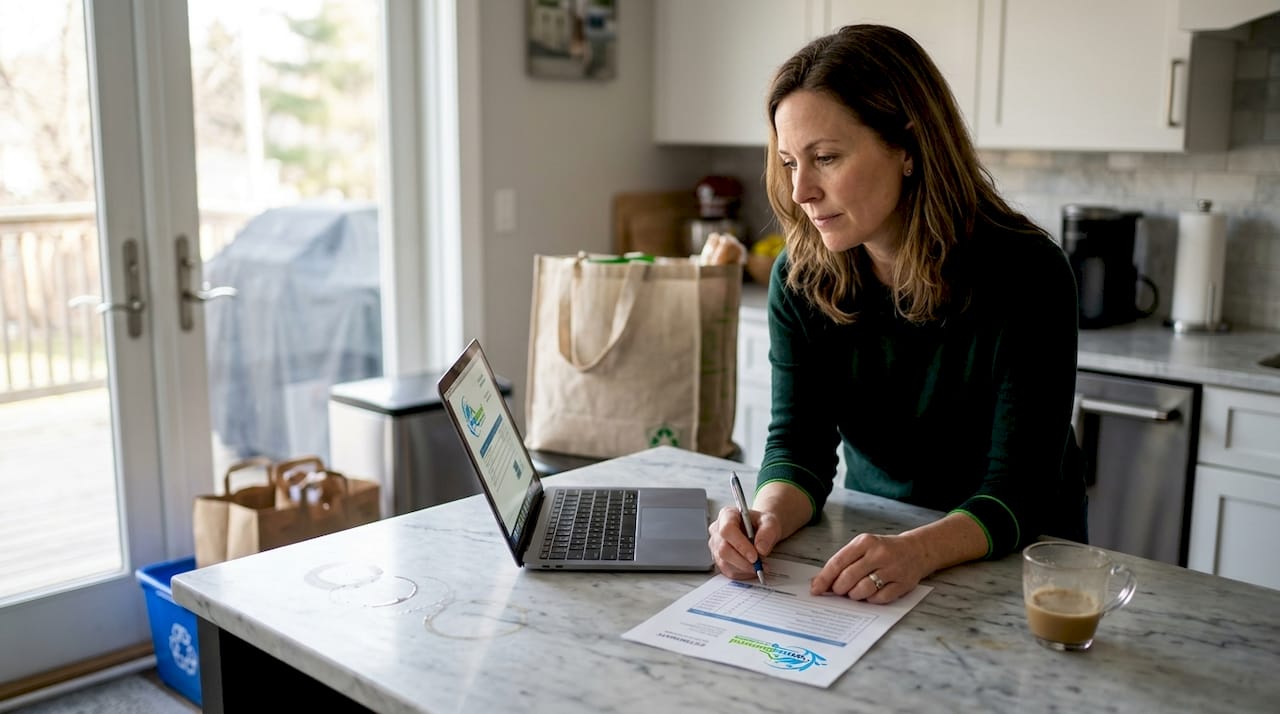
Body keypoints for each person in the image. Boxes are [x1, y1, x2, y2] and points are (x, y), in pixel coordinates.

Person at [707, 24, 1087, 604]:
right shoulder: (801, 278)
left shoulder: (1028, 274)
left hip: (1021, 568)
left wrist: (919, 549)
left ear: (907, 146)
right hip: (883, 550)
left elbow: (1019, 491)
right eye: (788, 163)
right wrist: (764, 518)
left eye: (826, 158)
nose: (801, 190)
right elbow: (798, 450)